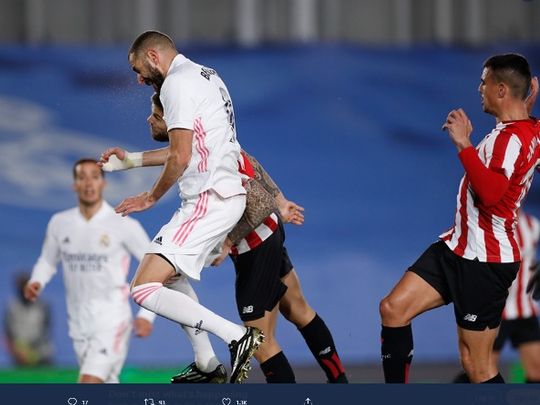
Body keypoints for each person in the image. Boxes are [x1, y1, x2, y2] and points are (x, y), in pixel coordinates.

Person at [103, 93, 348, 383]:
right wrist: (130, 161)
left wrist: (229, 241)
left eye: (155, 115)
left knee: (258, 342)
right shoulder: (208, 140)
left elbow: (258, 201)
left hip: (255, 246)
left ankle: (226, 358)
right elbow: (247, 161)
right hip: (268, 233)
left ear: (173, 121)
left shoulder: (204, 149)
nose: (149, 119)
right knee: (298, 309)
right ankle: (339, 384)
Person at [110, 30, 263, 384]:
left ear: (153, 55)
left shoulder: (175, 85)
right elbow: (190, 147)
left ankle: (237, 337)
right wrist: (128, 161)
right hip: (222, 195)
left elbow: (179, 157)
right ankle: (206, 363)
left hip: (209, 199)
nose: (138, 79)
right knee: (170, 276)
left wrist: (149, 198)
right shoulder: (207, 75)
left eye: (138, 69)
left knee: (143, 289)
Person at [379, 53, 540, 383]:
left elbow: (492, 197)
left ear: (501, 91)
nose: (478, 88)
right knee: (393, 309)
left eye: (484, 82)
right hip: (457, 248)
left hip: (486, 262)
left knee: (476, 365)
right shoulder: (528, 129)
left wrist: (463, 143)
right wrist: (526, 104)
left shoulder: (510, 140)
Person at [24, 159, 156, 383]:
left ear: (103, 184)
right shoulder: (60, 222)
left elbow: (154, 265)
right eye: (82, 177)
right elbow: (47, 261)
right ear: (74, 185)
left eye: (94, 177)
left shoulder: (123, 223)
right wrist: (36, 281)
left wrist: (147, 315)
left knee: (88, 384)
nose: (88, 183)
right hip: (78, 323)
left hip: (112, 318)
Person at [453, 209, 540, 383]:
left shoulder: (533, 226)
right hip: (493, 311)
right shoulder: (484, 226)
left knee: (537, 370)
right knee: (480, 369)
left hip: (524, 309)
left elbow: (529, 258)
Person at [4, 271, 54, 367]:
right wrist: (18, 352)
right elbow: (7, 335)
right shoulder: (11, 308)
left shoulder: (43, 306)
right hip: (19, 359)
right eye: (21, 287)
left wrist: (32, 353)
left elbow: (45, 332)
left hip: (43, 357)